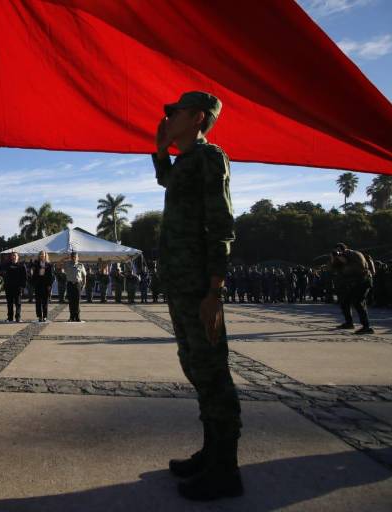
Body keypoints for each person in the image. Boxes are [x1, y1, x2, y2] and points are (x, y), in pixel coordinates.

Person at [154, 92, 242, 500]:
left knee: (212, 372)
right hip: (182, 284)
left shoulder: (210, 157)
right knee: (194, 364)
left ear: (197, 118)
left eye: (174, 113)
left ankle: (226, 468)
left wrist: (215, 289)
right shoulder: (186, 161)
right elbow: (167, 180)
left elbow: (221, 223)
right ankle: (211, 452)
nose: (167, 117)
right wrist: (160, 151)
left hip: (200, 287)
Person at [330, 243, 374, 334]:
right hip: (358, 282)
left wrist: (336, 255)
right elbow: (336, 267)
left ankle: (367, 327)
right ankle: (349, 323)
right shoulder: (350, 254)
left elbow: (343, 262)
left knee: (358, 303)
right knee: (345, 301)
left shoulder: (347, 253)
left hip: (362, 281)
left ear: (342, 249)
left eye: (338, 250)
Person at [3, 252, 26, 322]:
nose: (14, 257)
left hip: (18, 287)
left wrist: (23, 286)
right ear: (11, 257)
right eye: (13, 256)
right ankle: (10, 317)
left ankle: (18, 317)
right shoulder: (7, 265)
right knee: (9, 303)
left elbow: (24, 277)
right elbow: (4, 275)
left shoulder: (22, 266)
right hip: (9, 287)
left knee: (18, 303)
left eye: (15, 256)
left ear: (18, 257)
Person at [31, 250, 54, 322]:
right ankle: (39, 316)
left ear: (45, 255)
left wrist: (50, 285)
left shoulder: (49, 264)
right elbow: (33, 274)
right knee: (38, 302)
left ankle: (45, 316)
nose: (42, 256)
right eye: (40, 254)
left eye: (43, 254)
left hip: (46, 285)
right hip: (38, 284)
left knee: (45, 302)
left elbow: (51, 276)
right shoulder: (36, 264)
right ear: (39, 256)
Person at [63, 251, 86, 322]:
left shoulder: (81, 265)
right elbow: (58, 263)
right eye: (73, 257)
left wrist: (84, 284)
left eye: (75, 257)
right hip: (70, 284)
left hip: (77, 284)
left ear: (78, 258)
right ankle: (71, 317)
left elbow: (84, 275)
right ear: (71, 257)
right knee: (71, 301)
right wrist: (65, 258)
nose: (74, 258)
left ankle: (77, 317)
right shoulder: (67, 264)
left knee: (77, 301)